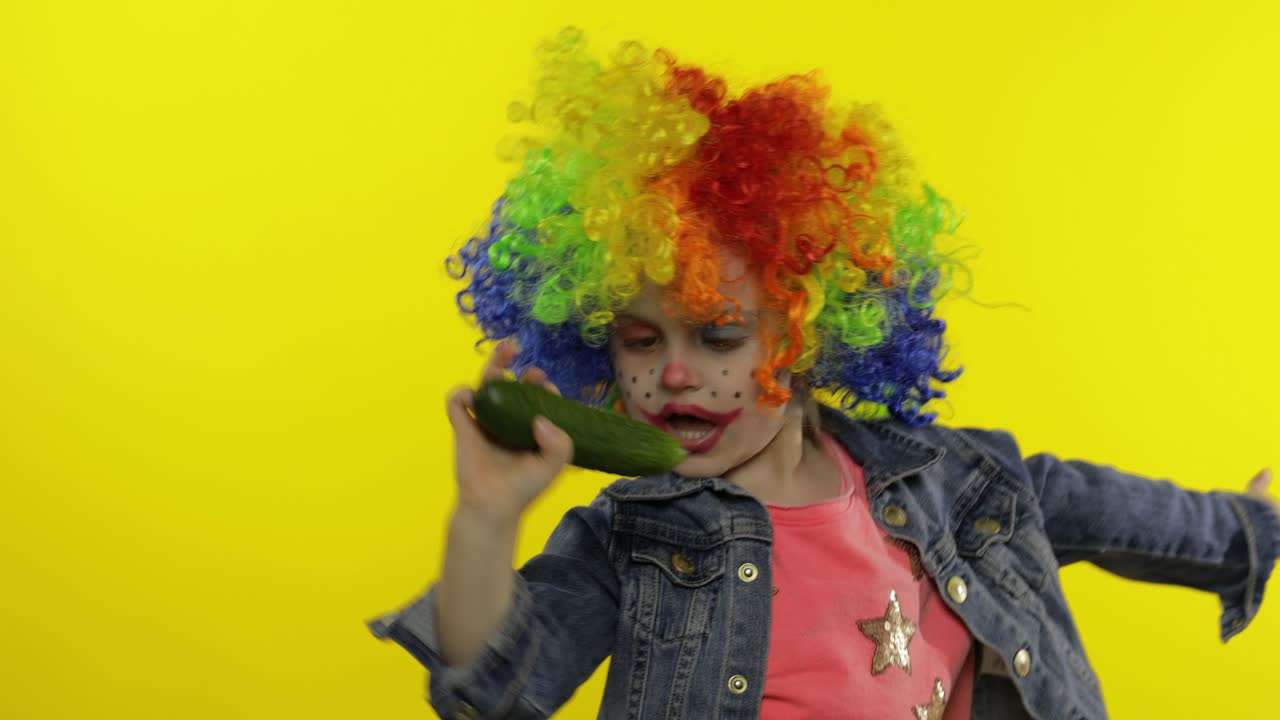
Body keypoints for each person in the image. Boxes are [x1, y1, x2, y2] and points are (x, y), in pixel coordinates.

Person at [365, 27, 1280, 719]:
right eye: (641, 341)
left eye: (719, 337)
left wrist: (1248, 530)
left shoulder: (956, 485)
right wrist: (485, 518)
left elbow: (1119, 513)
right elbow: (492, 682)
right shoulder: (631, 540)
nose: (673, 374)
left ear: (805, 337)